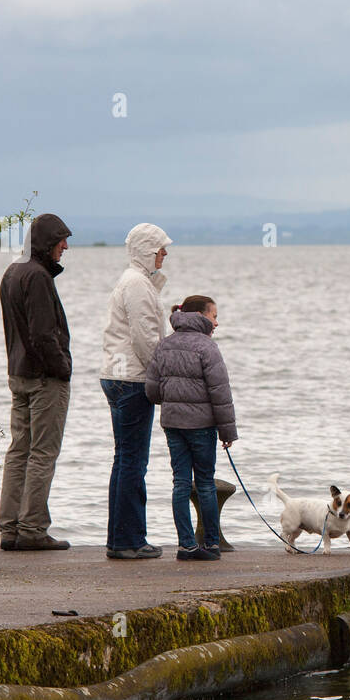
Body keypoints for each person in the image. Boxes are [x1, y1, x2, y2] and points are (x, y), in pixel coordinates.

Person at [0, 213, 73, 551]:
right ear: (47, 242)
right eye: (61, 240)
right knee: (43, 453)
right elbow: (43, 334)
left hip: (18, 374)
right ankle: (32, 529)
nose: (65, 247)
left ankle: (10, 528)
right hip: (44, 379)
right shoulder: (39, 277)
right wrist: (63, 367)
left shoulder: (12, 272)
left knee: (18, 451)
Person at [98, 223, 173, 560]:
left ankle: (120, 537)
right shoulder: (138, 285)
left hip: (118, 375)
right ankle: (129, 539)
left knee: (123, 459)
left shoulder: (136, 282)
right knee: (133, 461)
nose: (165, 254)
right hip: (132, 379)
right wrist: (163, 376)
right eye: (160, 249)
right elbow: (146, 339)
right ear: (147, 250)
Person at [144, 296, 237, 561]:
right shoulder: (207, 347)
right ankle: (210, 544)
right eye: (214, 316)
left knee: (181, 483)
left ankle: (186, 545)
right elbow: (221, 393)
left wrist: (173, 399)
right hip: (201, 426)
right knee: (205, 483)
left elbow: (151, 389)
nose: (216, 322)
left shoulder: (164, 345)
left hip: (173, 424)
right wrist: (227, 433)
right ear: (199, 315)